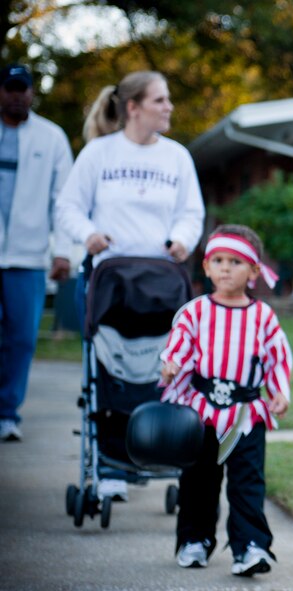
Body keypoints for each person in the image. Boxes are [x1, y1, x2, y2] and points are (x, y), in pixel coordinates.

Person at [54, 70, 205, 499]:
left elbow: (191, 212)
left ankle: (162, 452)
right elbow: (68, 206)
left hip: (163, 284)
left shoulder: (177, 157)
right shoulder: (99, 153)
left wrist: (183, 239)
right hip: (110, 283)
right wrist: (88, 235)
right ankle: (111, 466)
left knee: (163, 370)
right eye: (160, 100)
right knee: (109, 371)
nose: (169, 107)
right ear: (133, 107)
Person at [159, 224, 292, 578]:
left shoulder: (263, 316)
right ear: (206, 267)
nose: (226, 269)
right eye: (218, 261)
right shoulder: (195, 311)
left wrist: (279, 392)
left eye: (235, 262)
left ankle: (250, 546)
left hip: (246, 414)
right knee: (198, 480)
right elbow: (180, 344)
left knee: (247, 482)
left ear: (253, 271)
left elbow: (277, 357)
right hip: (201, 412)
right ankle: (195, 539)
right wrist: (171, 364)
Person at [0, 63, 74, 442]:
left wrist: (64, 251)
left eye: (23, 89)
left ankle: (7, 413)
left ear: (32, 93)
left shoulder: (52, 137)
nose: (17, 95)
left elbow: (64, 200)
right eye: (10, 88)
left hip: (28, 259)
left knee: (22, 339)